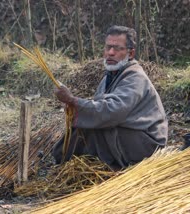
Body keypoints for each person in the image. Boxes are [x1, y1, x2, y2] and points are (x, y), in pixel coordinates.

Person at [53, 25, 168, 170]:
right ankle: (63, 161)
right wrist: (73, 106)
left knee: (96, 129)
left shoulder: (135, 77)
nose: (110, 53)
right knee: (85, 127)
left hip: (147, 143)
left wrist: (73, 101)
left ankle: (72, 162)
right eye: (108, 48)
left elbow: (112, 111)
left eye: (117, 48)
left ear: (130, 53)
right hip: (128, 132)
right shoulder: (110, 76)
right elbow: (100, 106)